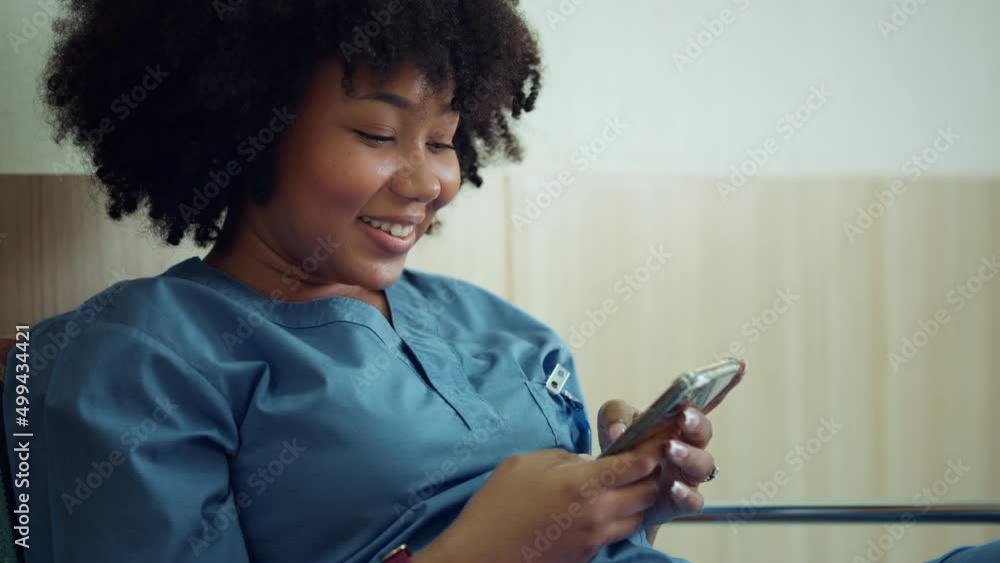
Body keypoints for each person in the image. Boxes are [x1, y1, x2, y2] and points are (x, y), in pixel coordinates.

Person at [4, 1, 995, 562]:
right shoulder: (130, 359)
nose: (430, 179)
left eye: (443, 140)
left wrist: (618, 481)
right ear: (237, 125)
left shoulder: (497, 329)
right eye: (377, 133)